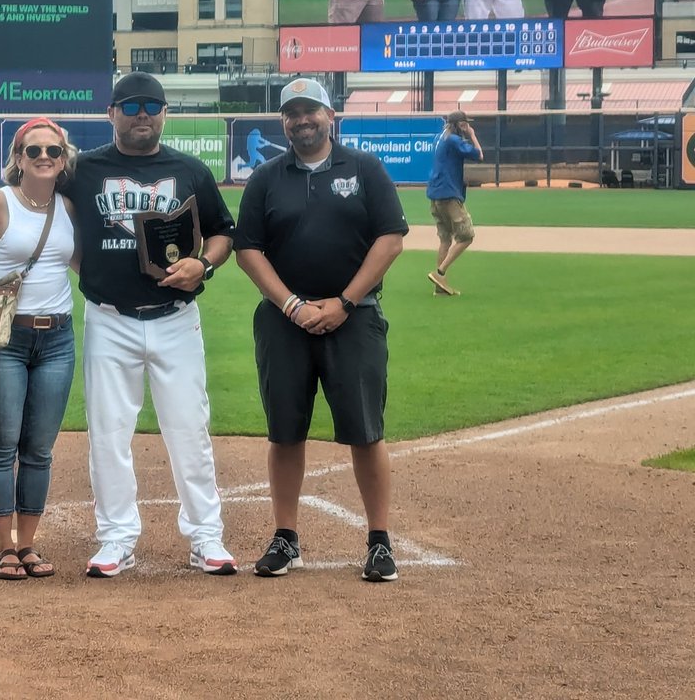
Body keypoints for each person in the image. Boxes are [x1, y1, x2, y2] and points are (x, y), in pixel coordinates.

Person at [62, 71, 237, 578]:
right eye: (131, 105)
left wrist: (203, 265)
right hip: (109, 318)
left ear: (165, 114)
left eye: (151, 106)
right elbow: (49, 216)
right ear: (111, 113)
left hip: (176, 319)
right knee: (108, 433)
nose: (142, 114)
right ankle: (116, 537)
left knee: (189, 429)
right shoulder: (84, 169)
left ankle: (206, 536)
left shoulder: (189, 169)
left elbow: (224, 231)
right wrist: (92, 272)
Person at [234, 78, 407, 582]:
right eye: (292, 113)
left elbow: (390, 240)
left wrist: (345, 301)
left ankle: (379, 540)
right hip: (283, 321)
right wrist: (289, 304)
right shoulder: (266, 177)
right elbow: (249, 250)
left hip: (354, 318)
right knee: (285, 431)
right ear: (283, 121)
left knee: (365, 431)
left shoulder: (365, 169)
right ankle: (285, 537)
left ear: (330, 117)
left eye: (310, 111)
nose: (301, 120)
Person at [0, 118, 78, 580]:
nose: (44, 158)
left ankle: (27, 544)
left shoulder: (69, 207)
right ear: (18, 158)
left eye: (53, 151)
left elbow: (83, 264)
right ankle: (4, 545)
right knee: (2, 446)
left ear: (64, 160)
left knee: (40, 448)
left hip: (58, 338)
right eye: (34, 151)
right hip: (2, 340)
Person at [426, 110, 484, 296]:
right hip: (449, 194)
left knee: (445, 239)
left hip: (435, 194)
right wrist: (473, 135)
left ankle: (440, 287)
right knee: (467, 236)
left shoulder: (440, 137)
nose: (468, 127)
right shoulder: (453, 140)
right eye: (466, 124)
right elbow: (478, 155)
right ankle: (440, 272)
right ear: (460, 125)